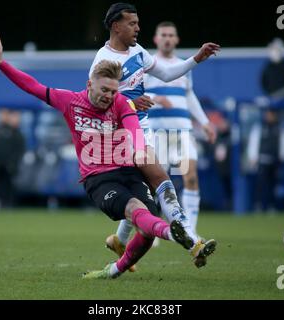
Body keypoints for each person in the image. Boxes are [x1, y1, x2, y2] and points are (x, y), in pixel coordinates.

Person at [0, 32, 216, 279]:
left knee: (148, 227)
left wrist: (140, 149)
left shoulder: (120, 102)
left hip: (127, 171)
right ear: (89, 84)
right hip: (100, 179)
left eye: (113, 91)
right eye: (105, 90)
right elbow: (32, 86)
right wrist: (2, 63)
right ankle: (177, 234)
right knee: (136, 211)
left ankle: (113, 271)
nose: (109, 96)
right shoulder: (69, 101)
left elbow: (133, 127)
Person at [90, 3, 219, 268]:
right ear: (116, 26)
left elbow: (168, 73)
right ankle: (191, 240)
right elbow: (96, 103)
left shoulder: (138, 52)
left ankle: (122, 241)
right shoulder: (103, 61)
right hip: (120, 137)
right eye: (132, 23)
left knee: (153, 187)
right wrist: (133, 105)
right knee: (158, 181)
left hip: (142, 131)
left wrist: (197, 58)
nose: (138, 28)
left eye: (138, 23)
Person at [143, 21, 217, 238]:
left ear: (176, 39)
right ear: (156, 39)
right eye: (163, 34)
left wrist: (204, 121)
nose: (167, 38)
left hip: (182, 132)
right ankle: (152, 229)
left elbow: (189, 94)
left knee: (190, 177)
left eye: (171, 35)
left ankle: (190, 231)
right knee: (155, 184)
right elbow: (134, 94)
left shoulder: (184, 66)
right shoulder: (149, 64)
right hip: (156, 134)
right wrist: (156, 99)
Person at [247, 109, 284, 212]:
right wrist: (253, 157)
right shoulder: (260, 127)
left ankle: (272, 206)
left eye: (271, 115)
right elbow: (253, 142)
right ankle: (259, 205)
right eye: (267, 115)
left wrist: (283, 156)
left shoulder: (280, 127)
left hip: (275, 161)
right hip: (262, 160)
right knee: (260, 185)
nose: (269, 117)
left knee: (273, 185)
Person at [0, 108, 25, 211]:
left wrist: (12, 162)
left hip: (9, 164)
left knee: (9, 185)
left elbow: (19, 149)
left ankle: (9, 204)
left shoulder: (14, 131)